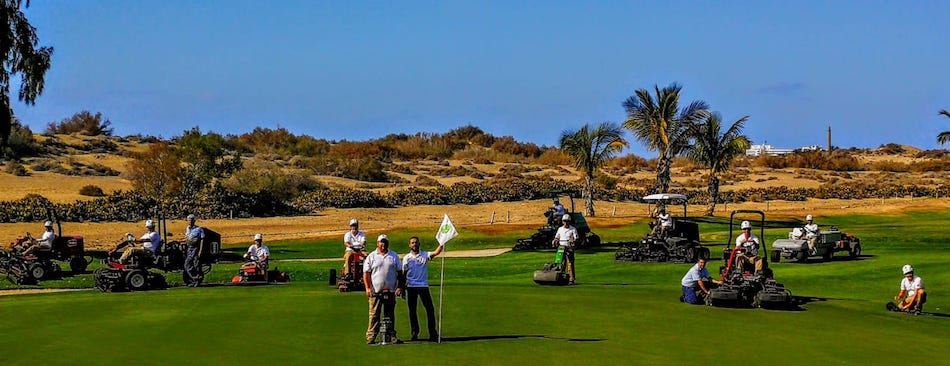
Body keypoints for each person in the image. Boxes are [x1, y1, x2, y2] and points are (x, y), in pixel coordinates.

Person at [363, 234, 404, 344]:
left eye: (385, 242)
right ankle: (371, 336)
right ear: (377, 243)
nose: (383, 244)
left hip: (390, 291)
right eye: (381, 242)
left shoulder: (393, 256)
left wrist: (399, 287)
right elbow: (366, 273)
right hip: (375, 292)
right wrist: (368, 288)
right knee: (374, 314)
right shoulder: (371, 256)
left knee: (390, 315)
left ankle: (391, 336)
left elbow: (400, 273)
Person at [402, 236, 445, 342]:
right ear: (409, 245)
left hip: (423, 286)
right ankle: (414, 333)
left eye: (416, 242)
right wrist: (402, 287)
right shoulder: (406, 258)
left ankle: (432, 333)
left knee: (430, 309)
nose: (414, 244)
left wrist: (443, 242)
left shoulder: (425, 255)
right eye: (412, 243)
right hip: (411, 287)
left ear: (419, 244)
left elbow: (436, 252)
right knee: (412, 311)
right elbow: (403, 273)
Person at [551, 213, 578, 285]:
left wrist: (573, 240)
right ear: (562, 221)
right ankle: (560, 277)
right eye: (564, 221)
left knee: (570, 263)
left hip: (569, 247)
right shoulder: (560, 229)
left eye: (567, 221)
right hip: (561, 247)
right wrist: (556, 240)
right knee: (561, 263)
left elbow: (576, 238)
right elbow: (557, 237)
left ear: (569, 221)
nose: (566, 222)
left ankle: (571, 279)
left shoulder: (573, 229)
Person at [183, 214, 205, 286]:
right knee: (188, 264)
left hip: (196, 248)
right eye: (189, 220)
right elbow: (187, 238)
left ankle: (197, 280)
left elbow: (202, 240)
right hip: (189, 248)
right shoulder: (187, 228)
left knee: (196, 264)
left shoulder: (199, 229)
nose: (190, 221)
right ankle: (194, 279)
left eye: (191, 220)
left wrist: (200, 251)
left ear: (194, 221)